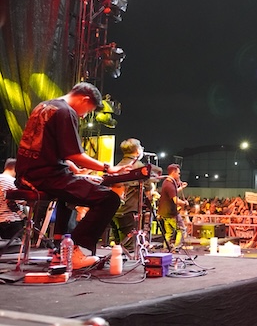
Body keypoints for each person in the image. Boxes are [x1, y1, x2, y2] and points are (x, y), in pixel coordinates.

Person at [15, 82, 131, 269]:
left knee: (70, 196)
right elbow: (74, 154)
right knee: (109, 199)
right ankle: (76, 251)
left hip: (28, 173)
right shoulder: (65, 112)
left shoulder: (45, 106)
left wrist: (76, 173)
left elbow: (51, 151)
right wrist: (108, 168)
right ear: (84, 99)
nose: (83, 115)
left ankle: (60, 249)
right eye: (88, 110)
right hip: (45, 177)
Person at [111, 138, 161, 253]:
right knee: (129, 248)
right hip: (128, 210)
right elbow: (148, 191)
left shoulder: (119, 165)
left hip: (114, 210)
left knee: (119, 246)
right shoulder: (138, 167)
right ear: (137, 151)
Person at [158, 163, 188, 252]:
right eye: (178, 173)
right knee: (181, 229)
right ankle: (176, 248)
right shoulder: (170, 185)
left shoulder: (167, 182)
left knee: (169, 232)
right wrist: (184, 203)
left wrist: (181, 187)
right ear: (173, 172)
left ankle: (165, 248)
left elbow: (172, 193)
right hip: (171, 212)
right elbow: (176, 200)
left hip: (164, 212)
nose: (179, 175)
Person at [0, 158, 25, 242]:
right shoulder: (13, 182)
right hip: (11, 221)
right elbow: (21, 201)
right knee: (12, 247)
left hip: (1, 220)